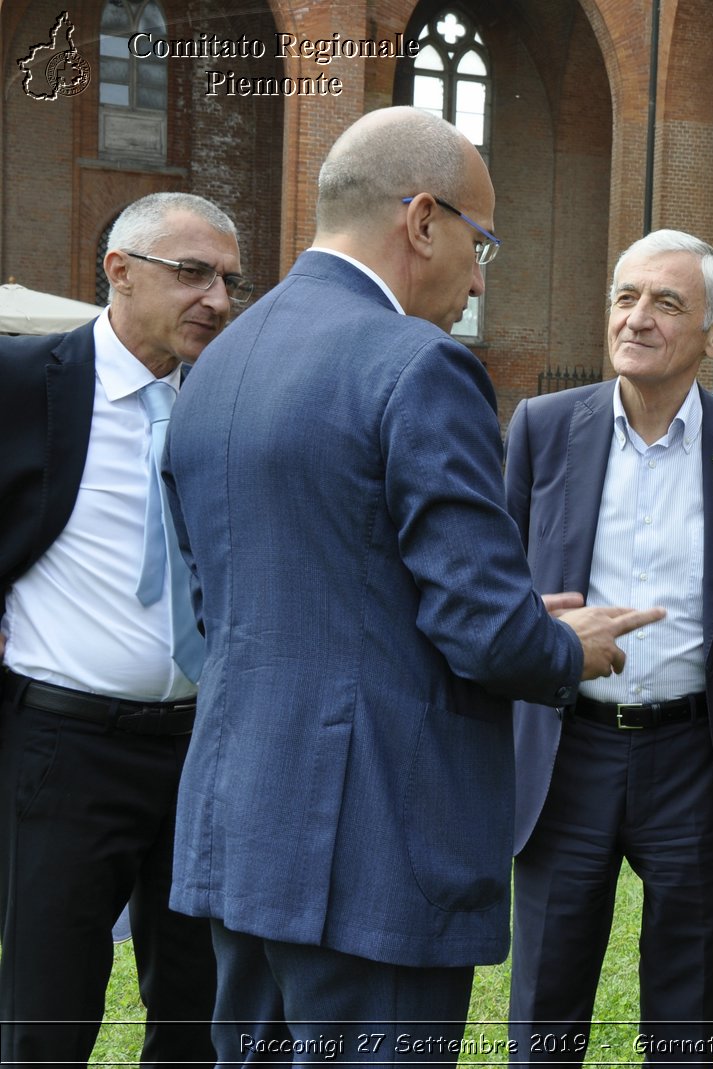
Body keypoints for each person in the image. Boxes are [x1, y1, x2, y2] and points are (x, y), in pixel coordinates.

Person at [163, 107, 661, 1063]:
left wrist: (508, 614)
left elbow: (234, 599)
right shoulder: (420, 365)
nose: (479, 278)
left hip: (240, 822)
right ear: (422, 220)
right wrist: (566, 645)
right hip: (373, 846)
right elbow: (482, 632)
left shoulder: (218, 361)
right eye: (483, 244)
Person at [504, 230, 713, 1064]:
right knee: (544, 1006)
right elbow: (505, 583)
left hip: (696, 760)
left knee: (686, 1015)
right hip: (567, 750)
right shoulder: (540, 429)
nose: (636, 318)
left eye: (666, 303)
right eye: (625, 297)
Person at [0, 191, 244, 1067]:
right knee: (47, 1007)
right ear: (119, 272)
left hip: (201, 753)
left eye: (228, 280)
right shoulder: (24, 380)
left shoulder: (226, 404)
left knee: (194, 1008)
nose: (217, 297)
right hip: (63, 750)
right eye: (193, 273)